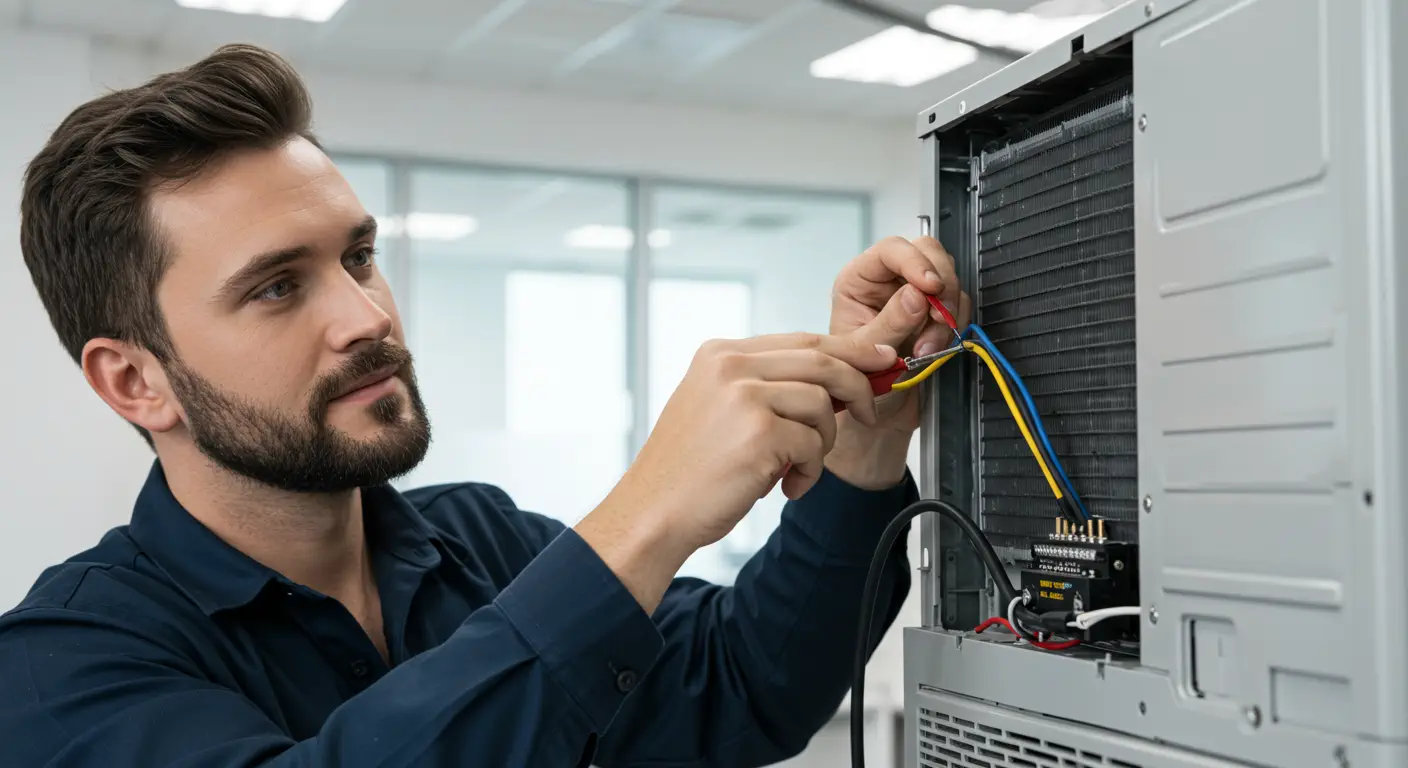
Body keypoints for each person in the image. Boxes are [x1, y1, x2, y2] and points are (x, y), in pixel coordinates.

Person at [0, 44, 970, 767]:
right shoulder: (60, 669)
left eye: (357, 257)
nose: (365, 315)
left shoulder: (481, 541)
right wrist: (644, 518)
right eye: (276, 288)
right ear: (135, 381)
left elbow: (745, 680)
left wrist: (864, 446)